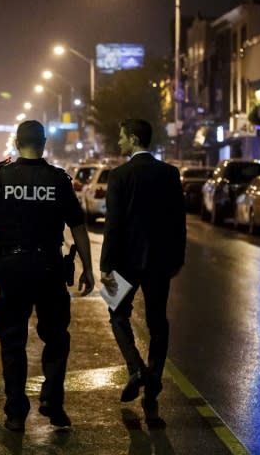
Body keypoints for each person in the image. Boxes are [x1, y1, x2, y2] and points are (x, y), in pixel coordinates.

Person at [0, 120, 95, 432]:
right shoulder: (59, 180)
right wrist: (89, 268)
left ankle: (15, 412)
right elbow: (77, 227)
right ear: (44, 142)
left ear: (16, 142)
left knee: (12, 341)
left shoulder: (0, 177)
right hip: (49, 267)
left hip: (12, 269)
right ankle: (52, 400)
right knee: (56, 337)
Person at [100, 119, 186, 417]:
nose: (119, 141)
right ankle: (152, 384)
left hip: (122, 261)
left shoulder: (119, 175)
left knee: (115, 314)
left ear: (134, 139)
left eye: (122, 137)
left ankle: (136, 368)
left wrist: (105, 266)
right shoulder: (169, 173)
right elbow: (179, 221)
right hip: (160, 261)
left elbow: (112, 225)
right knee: (158, 322)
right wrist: (177, 259)